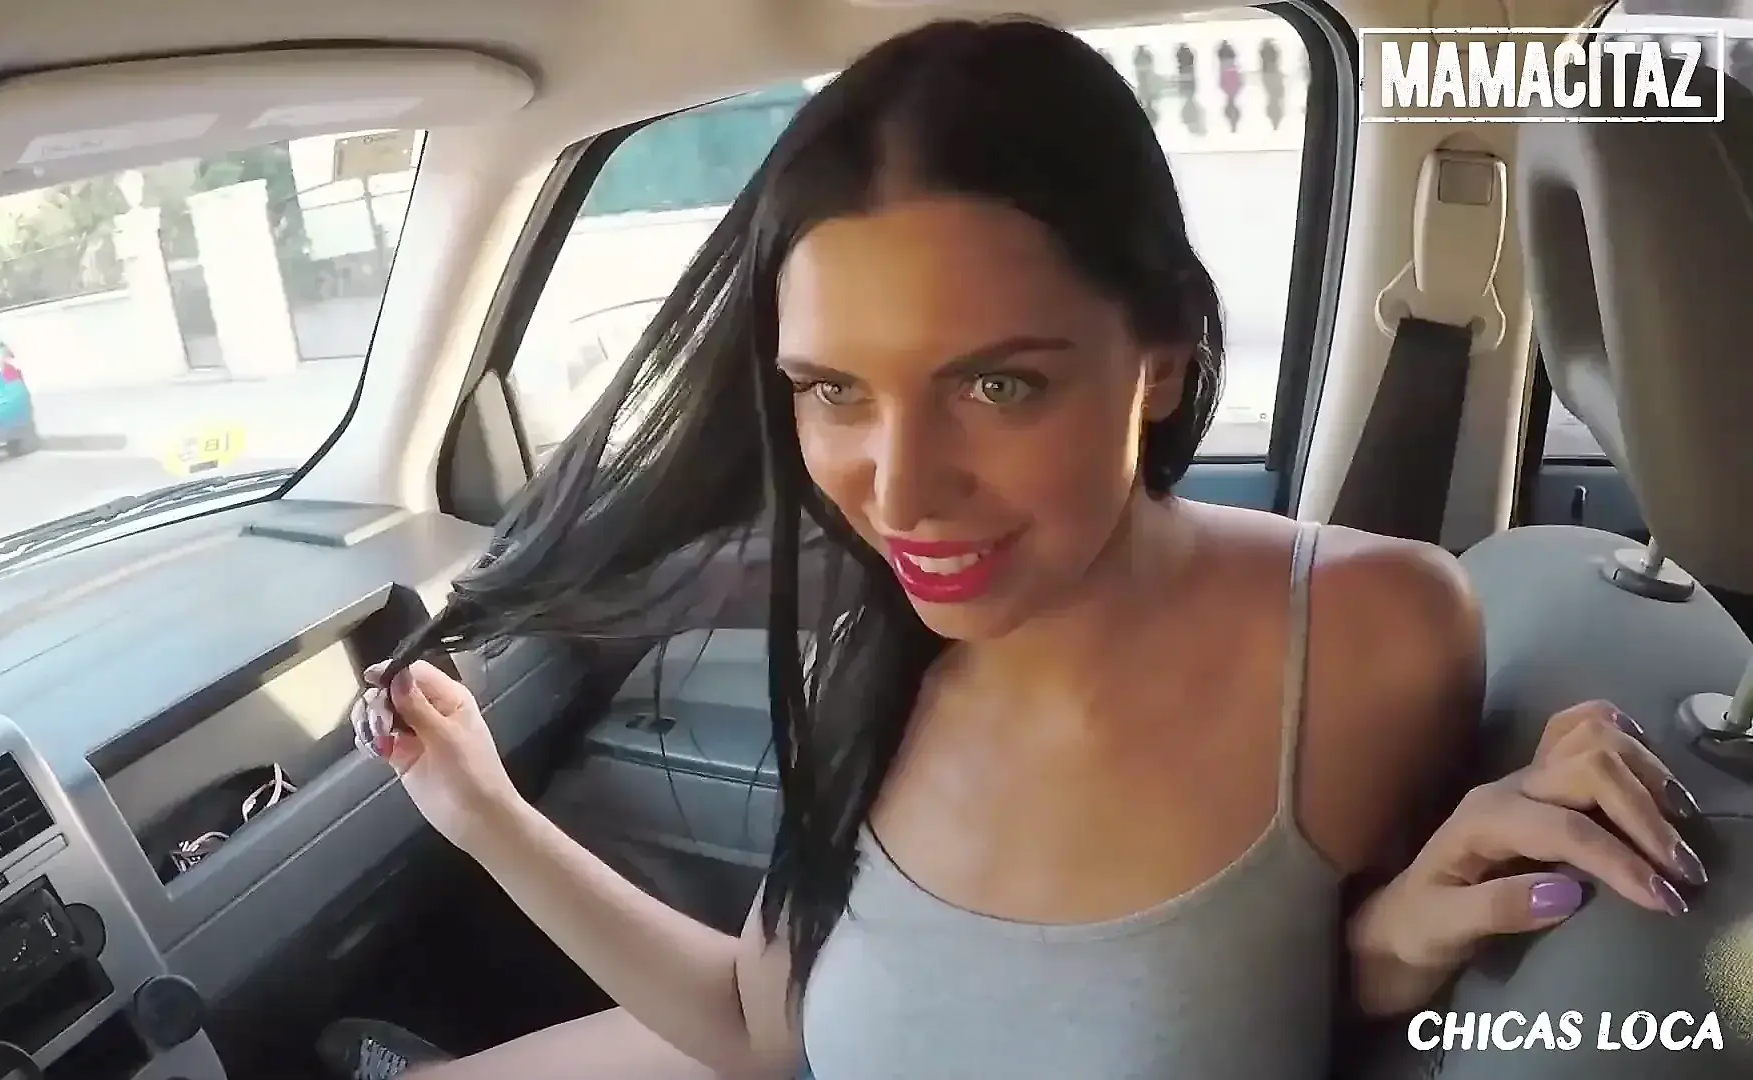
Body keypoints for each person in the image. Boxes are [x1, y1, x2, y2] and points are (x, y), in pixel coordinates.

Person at [318, 17, 1706, 1080]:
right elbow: (760, 1032)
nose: (899, 492)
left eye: (997, 384)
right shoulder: (867, 656)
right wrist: (480, 810)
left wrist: (1400, 940)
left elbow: (1276, 1011)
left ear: (1160, 359)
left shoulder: (1371, 637)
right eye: (832, 389)